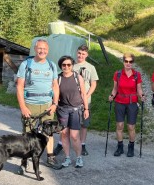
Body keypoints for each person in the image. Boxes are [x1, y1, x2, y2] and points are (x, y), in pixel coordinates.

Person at [16, 39, 62, 171]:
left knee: (49, 132)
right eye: (40, 48)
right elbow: (19, 86)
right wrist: (23, 107)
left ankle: (50, 158)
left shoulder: (51, 65)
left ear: (48, 50)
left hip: (47, 105)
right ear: (35, 49)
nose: (42, 51)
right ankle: (24, 162)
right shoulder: (26, 64)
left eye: (45, 49)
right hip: (30, 104)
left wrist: (55, 103)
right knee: (27, 134)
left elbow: (55, 86)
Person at [54, 45, 98, 156]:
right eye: (79, 53)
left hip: (85, 100)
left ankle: (82, 145)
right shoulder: (71, 65)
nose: (81, 56)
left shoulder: (91, 67)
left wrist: (86, 97)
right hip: (69, 101)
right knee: (65, 125)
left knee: (83, 124)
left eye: (83, 54)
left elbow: (93, 84)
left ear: (87, 55)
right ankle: (61, 144)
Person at [108, 53, 145, 157]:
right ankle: (120, 147)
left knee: (131, 126)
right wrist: (111, 95)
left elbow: (139, 89)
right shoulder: (118, 74)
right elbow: (115, 89)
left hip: (132, 103)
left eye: (131, 62)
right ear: (123, 62)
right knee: (119, 125)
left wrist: (142, 95)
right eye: (126, 61)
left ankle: (131, 147)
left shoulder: (137, 75)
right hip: (119, 102)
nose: (128, 64)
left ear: (133, 63)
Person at [56, 55, 90, 168]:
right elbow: (55, 94)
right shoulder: (58, 78)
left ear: (72, 65)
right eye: (64, 65)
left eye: (69, 65)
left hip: (76, 110)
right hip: (62, 110)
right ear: (61, 66)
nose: (66, 67)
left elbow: (83, 94)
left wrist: (86, 108)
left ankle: (79, 158)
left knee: (75, 136)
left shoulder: (77, 77)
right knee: (64, 134)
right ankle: (67, 158)